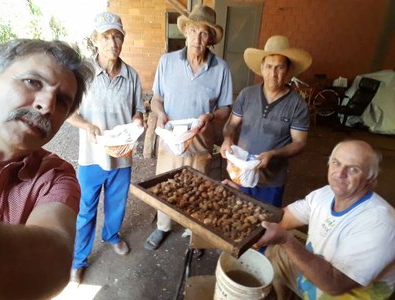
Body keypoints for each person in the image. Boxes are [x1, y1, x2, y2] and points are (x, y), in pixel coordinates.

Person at [0, 39, 93, 299]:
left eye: (62, 101)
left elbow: (56, 256)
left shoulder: (55, 177)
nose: (47, 106)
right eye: (33, 82)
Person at [143, 4, 233, 250]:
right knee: (165, 184)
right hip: (171, 138)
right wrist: (160, 113)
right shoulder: (168, 61)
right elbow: (156, 99)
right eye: (194, 31)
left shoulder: (221, 69)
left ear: (211, 38)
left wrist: (211, 116)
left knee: (196, 186)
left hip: (201, 140)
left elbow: (226, 107)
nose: (198, 38)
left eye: (204, 33)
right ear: (186, 32)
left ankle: (191, 230)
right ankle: (162, 226)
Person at [257, 140, 395, 299]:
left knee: (284, 246)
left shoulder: (381, 224)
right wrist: (234, 198)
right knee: (276, 253)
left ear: (370, 180)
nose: (340, 172)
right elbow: (281, 219)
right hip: (316, 277)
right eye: (336, 163)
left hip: (339, 291)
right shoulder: (325, 194)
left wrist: (286, 240)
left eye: (353, 169)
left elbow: (335, 284)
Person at [68, 12, 145, 283]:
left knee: (116, 205)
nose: (112, 42)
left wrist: (138, 119)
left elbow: (139, 109)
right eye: (106, 36)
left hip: (121, 157)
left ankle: (111, 235)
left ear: (123, 40)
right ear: (96, 40)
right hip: (91, 158)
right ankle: (79, 259)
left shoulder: (131, 75)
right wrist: (87, 126)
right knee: (86, 209)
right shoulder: (82, 74)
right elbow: (69, 112)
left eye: (117, 36)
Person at [220, 35, 312, 208]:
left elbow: (300, 143)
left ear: (288, 70)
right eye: (269, 66)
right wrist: (227, 139)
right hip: (241, 173)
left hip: (271, 181)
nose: (273, 74)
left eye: (279, 67)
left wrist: (273, 154)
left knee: (264, 224)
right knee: (234, 217)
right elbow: (231, 125)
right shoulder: (247, 94)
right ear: (261, 68)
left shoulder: (297, 105)